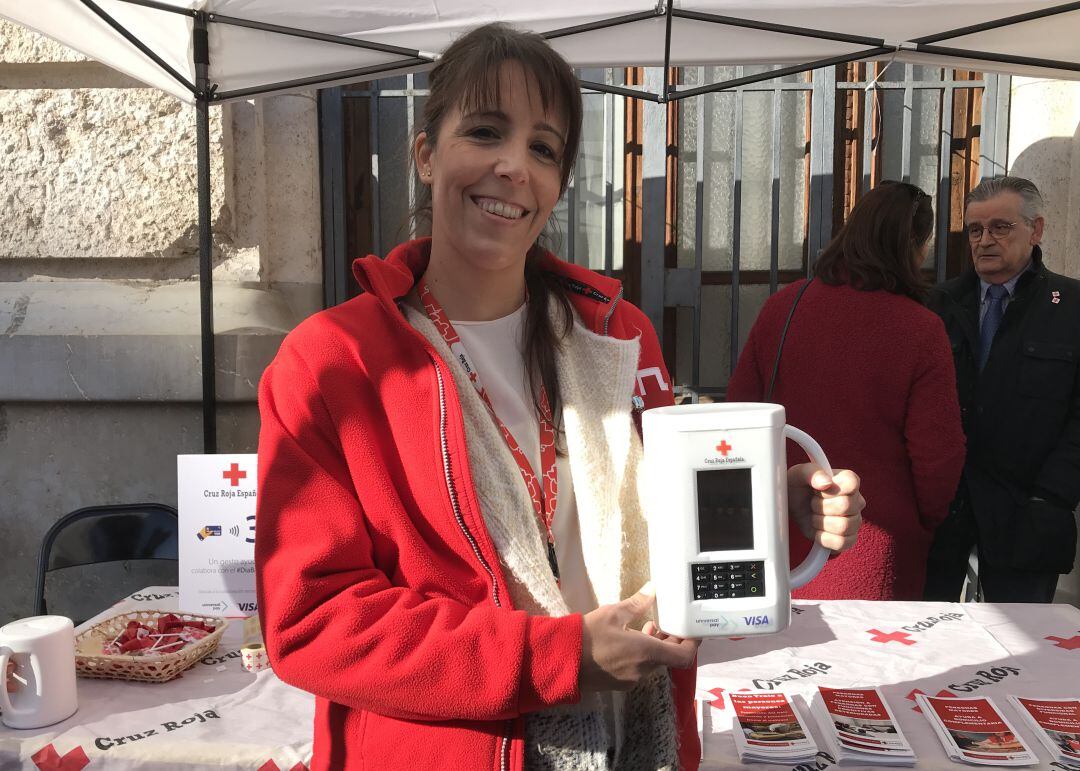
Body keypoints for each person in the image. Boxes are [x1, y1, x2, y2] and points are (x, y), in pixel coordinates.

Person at [254, 23, 864, 771]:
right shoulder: (331, 363)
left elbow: (678, 524)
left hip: (638, 742)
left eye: (544, 149)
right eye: (485, 131)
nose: (513, 167)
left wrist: (777, 504)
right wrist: (560, 656)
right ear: (424, 153)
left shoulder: (618, 336)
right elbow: (314, 622)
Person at [727, 181, 964, 600]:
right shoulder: (921, 330)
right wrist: (923, 522)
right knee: (877, 663)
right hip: (875, 541)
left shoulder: (784, 306)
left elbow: (736, 413)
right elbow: (938, 457)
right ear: (915, 247)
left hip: (781, 531)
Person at [923, 176, 1080, 604]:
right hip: (944, 509)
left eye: (1000, 227)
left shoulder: (1070, 307)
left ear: (1037, 230)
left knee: (1018, 653)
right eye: (975, 230)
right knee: (922, 641)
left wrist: (1052, 493)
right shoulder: (936, 305)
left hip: (1027, 510)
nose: (984, 240)